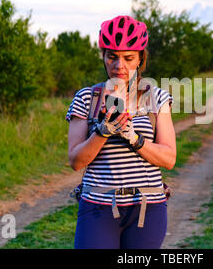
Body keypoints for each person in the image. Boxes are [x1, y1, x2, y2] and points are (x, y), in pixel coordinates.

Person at [65, 15, 176, 249]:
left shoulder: (157, 98)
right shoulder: (86, 98)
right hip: (97, 206)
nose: (119, 65)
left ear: (140, 59)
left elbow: (168, 158)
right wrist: (102, 132)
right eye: (112, 57)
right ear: (103, 57)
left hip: (148, 207)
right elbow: (76, 161)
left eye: (128, 58)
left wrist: (135, 139)